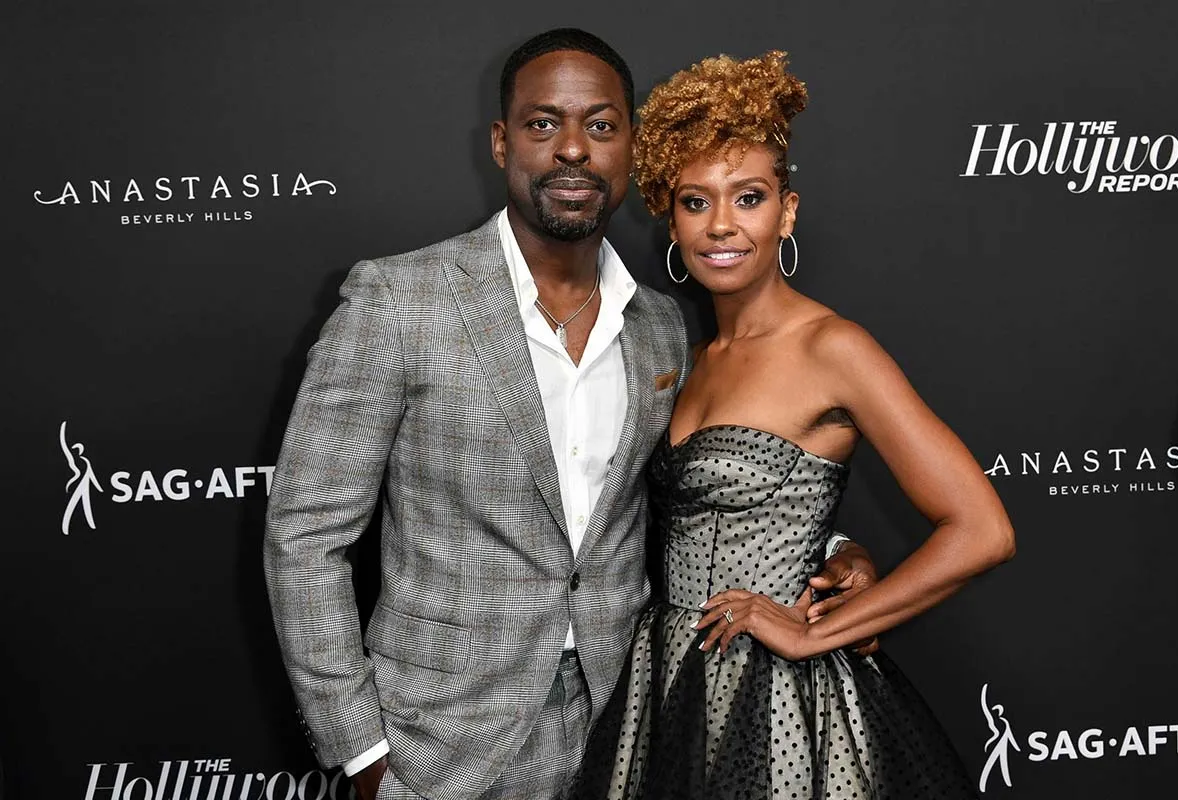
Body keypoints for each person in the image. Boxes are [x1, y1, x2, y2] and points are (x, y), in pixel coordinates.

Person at [264, 31, 880, 800]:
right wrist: (360, 749)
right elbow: (306, 535)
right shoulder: (398, 302)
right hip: (438, 747)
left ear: (631, 147)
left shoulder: (660, 326)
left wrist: (833, 551)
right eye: (543, 123)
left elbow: (685, 497)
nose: (573, 149)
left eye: (601, 125)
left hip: (625, 733)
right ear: (502, 142)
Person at [575, 51, 1015, 799]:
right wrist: (843, 551)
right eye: (695, 201)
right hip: (668, 685)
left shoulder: (833, 348)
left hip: (781, 699)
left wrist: (816, 630)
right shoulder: (690, 355)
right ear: (670, 220)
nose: (722, 225)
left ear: (787, 211)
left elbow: (983, 530)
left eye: (748, 198)